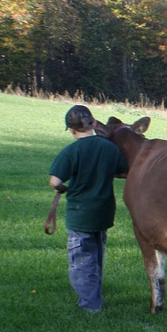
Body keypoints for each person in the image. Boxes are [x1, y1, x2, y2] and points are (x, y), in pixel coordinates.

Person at [48, 104, 128, 313]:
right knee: (97, 254)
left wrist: (64, 188)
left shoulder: (71, 151)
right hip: (103, 212)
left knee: (82, 259)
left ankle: (90, 304)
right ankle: (95, 294)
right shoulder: (110, 148)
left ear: (72, 130)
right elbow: (123, 172)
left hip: (79, 214)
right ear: (93, 123)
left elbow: (55, 181)